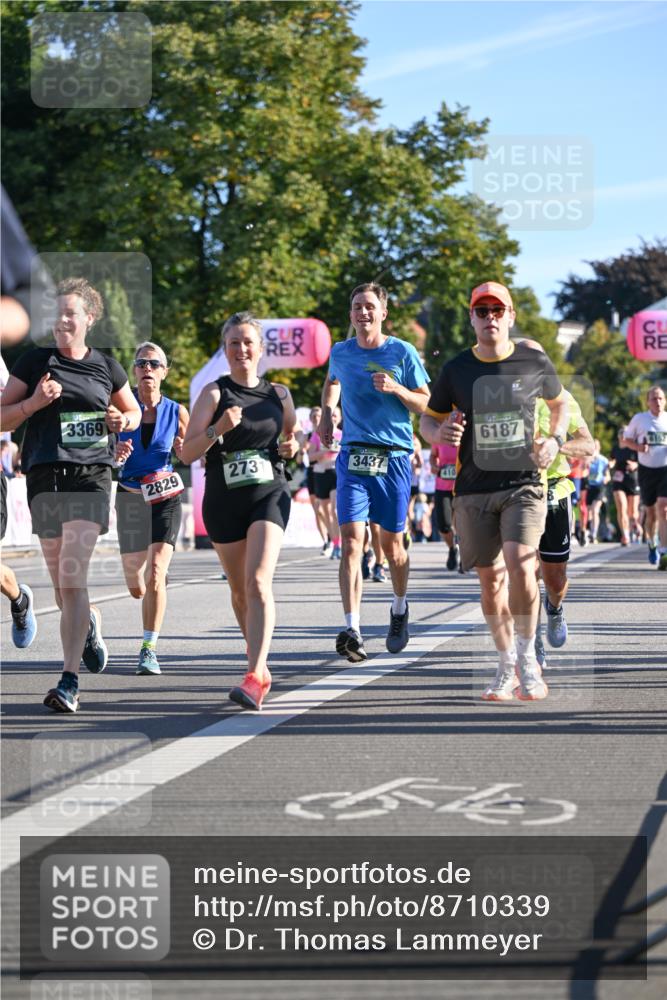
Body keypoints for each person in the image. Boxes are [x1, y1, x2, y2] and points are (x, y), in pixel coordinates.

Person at [420, 281, 568, 702]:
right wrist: (438, 433)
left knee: (521, 565)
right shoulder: (455, 369)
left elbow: (558, 405)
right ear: (471, 318)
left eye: (497, 310)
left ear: (511, 315)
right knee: (489, 583)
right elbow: (428, 421)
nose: (490, 318)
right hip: (472, 488)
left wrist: (554, 440)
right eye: (481, 311)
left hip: (523, 482)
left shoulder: (533, 361)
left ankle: (528, 661)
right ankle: (505, 665)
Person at [0, 277, 141, 712]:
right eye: (55, 313)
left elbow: (132, 410)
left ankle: (68, 681)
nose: (61, 320)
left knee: (73, 577)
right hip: (45, 477)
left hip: (90, 476)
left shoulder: (107, 366)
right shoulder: (32, 362)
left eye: (70, 314)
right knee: (64, 588)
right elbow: (2, 419)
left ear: (89, 319)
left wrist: (123, 421)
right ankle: (90, 626)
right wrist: (32, 405)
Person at [181, 311, 299, 710]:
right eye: (234, 343)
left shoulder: (279, 395)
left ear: (261, 349)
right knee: (238, 590)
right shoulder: (214, 394)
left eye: (248, 342)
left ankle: (254, 674)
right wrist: (219, 430)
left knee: (258, 581)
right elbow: (186, 451)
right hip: (223, 498)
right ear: (225, 350)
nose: (241, 350)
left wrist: (292, 448)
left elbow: (290, 438)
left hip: (269, 492)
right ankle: (259, 668)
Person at [319, 283, 430, 662]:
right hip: (352, 455)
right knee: (351, 540)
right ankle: (353, 628)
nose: (363, 313)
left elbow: (426, 404)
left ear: (383, 313)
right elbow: (331, 384)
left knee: (392, 547)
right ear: (350, 314)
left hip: (394, 457)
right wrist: (327, 413)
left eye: (369, 307)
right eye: (356, 307)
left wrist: (398, 388)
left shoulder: (402, 351)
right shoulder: (340, 352)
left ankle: (399, 608)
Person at [113, 342, 189, 675]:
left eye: (154, 364)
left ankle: (148, 648)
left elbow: (188, 454)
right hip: (129, 495)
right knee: (135, 581)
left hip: (165, 496)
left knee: (156, 572)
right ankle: (146, 588)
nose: (148, 369)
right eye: (142, 363)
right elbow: (98, 448)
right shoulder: (117, 408)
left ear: (164, 372)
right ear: (134, 369)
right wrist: (112, 453)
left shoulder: (178, 411)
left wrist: (184, 449)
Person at [532, 388, 594, 660]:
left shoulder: (562, 398)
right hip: (516, 491)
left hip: (554, 491)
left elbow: (587, 444)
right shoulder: (500, 395)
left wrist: (556, 445)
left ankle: (554, 608)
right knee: (525, 572)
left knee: (554, 577)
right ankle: (531, 641)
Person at [622, 385, 667, 569]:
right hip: (647, 471)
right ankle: (652, 543)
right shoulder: (640, 419)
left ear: (665, 401)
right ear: (648, 402)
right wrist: (639, 448)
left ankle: (664, 552)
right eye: (654, 398)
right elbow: (625, 440)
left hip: (665, 469)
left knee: (663, 508)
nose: (657, 402)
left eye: (660, 398)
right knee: (650, 514)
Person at [308, 406, 342, 559]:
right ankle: (334, 542)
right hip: (320, 473)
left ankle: (339, 544)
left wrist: (338, 450)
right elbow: (310, 457)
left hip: (336, 472)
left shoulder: (343, 434)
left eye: (335, 415)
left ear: (340, 418)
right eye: (331, 415)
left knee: (335, 511)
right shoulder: (318, 434)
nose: (333, 418)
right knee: (325, 513)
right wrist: (325, 450)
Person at [429, 440, 460, 569]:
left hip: (463, 487)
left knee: (463, 523)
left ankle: (464, 553)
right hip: (443, 487)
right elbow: (432, 456)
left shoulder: (466, 435)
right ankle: (453, 548)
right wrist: (434, 466)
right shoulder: (438, 436)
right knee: (444, 525)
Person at [610, 428, 640, 545]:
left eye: (626, 434)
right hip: (619, 480)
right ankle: (625, 535)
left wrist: (635, 465)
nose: (624, 436)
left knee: (633, 513)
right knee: (622, 507)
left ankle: (635, 525)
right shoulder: (616, 448)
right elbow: (612, 459)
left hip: (632, 480)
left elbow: (643, 461)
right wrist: (611, 464)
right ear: (618, 436)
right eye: (622, 434)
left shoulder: (634, 447)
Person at [584, 440, 609, 543]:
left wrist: (605, 479)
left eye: (595, 446)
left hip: (599, 487)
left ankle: (594, 534)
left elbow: (608, 476)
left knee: (595, 510)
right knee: (588, 512)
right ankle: (588, 532)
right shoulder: (587, 459)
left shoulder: (603, 460)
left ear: (599, 448)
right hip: (589, 487)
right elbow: (583, 472)